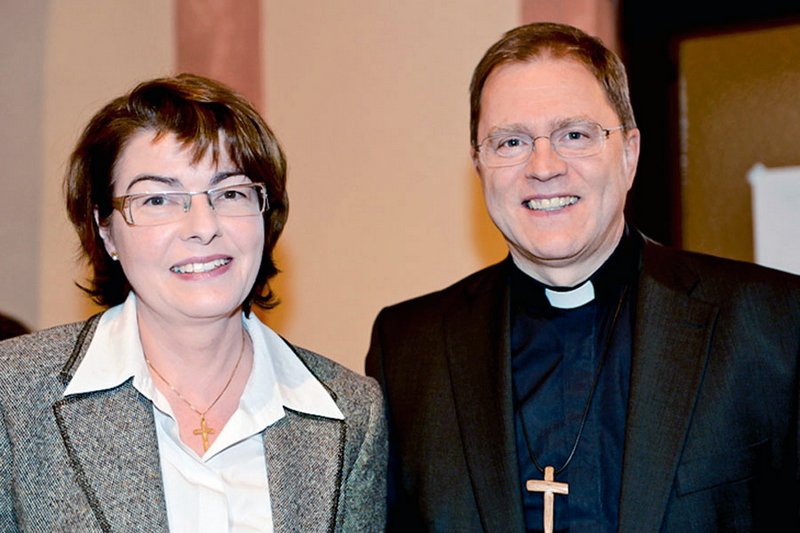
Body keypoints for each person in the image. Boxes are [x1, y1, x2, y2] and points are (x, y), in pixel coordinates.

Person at [366, 22, 800, 533]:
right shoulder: (410, 350)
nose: (543, 166)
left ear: (629, 153)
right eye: (510, 142)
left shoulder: (772, 324)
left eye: (574, 135)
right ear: (479, 165)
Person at [0, 73, 386, 532]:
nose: (203, 227)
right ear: (105, 230)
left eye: (230, 193)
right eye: (158, 199)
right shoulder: (14, 392)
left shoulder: (351, 412)